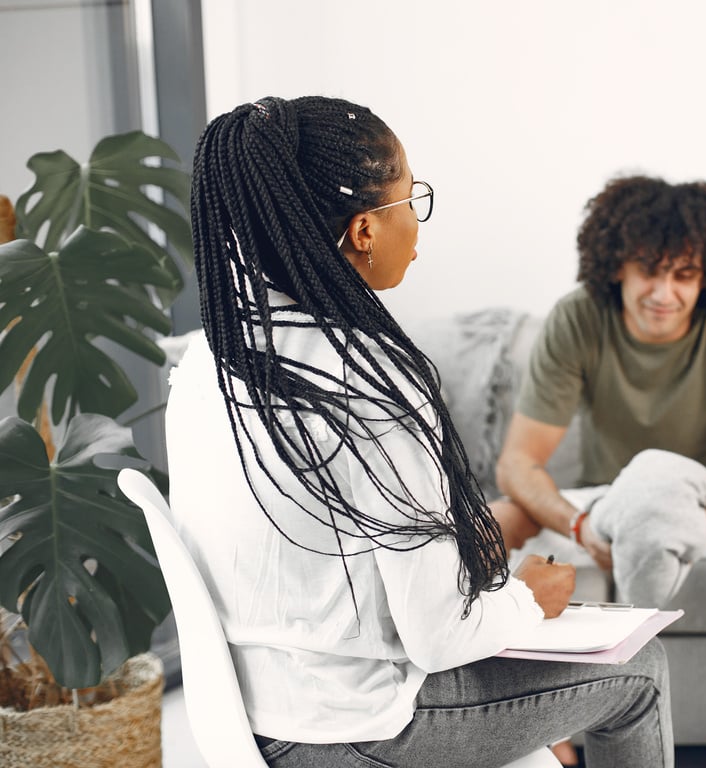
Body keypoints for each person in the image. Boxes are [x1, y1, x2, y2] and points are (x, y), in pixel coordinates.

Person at [164, 95, 674, 768]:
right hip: (360, 731)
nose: (417, 222)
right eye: (411, 198)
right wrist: (528, 598)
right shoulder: (371, 381)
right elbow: (438, 638)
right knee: (641, 670)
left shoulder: (209, 359)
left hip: (251, 723)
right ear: (365, 230)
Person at [491, 175, 706, 768]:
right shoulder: (577, 317)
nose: (663, 293)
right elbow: (518, 462)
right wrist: (580, 527)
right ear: (616, 266)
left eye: (684, 275)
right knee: (493, 522)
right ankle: (544, 735)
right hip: (608, 505)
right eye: (648, 270)